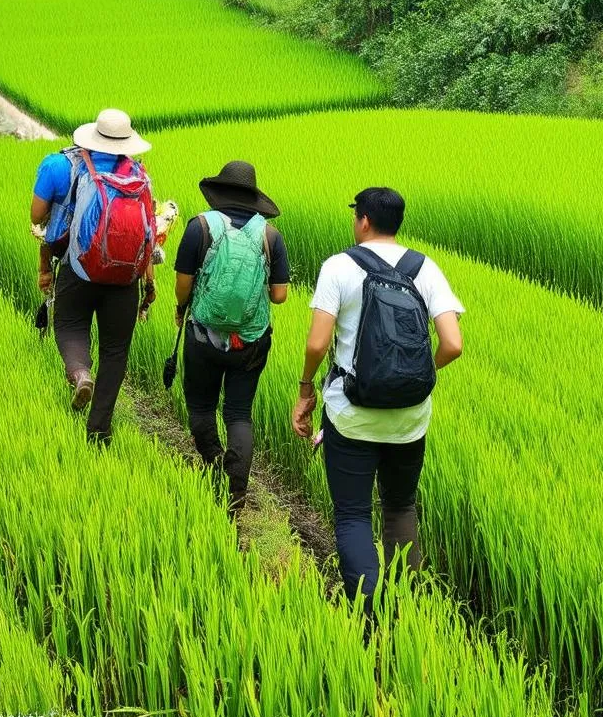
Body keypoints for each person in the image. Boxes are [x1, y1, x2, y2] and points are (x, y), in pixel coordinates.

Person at [292, 187, 463, 607]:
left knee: (352, 515)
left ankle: (368, 615)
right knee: (401, 506)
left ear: (364, 220)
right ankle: (406, 608)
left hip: (351, 413)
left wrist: (306, 388)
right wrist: (413, 373)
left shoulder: (338, 266)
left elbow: (317, 344)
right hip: (409, 418)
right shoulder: (425, 268)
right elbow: (453, 344)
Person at [30, 108, 156, 445]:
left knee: (70, 327)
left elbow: (37, 216)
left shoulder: (60, 165)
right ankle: (99, 431)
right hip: (125, 280)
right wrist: (149, 284)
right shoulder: (138, 175)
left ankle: (81, 373)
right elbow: (147, 233)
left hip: (79, 270)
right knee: (115, 351)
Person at [174, 161, 290, 515]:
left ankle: (212, 462)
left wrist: (182, 309)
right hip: (250, 342)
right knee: (239, 413)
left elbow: (183, 283)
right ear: (254, 198)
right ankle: (237, 492)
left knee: (201, 405)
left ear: (219, 192)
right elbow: (279, 295)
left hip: (204, 337)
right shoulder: (270, 236)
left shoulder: (200, 227)